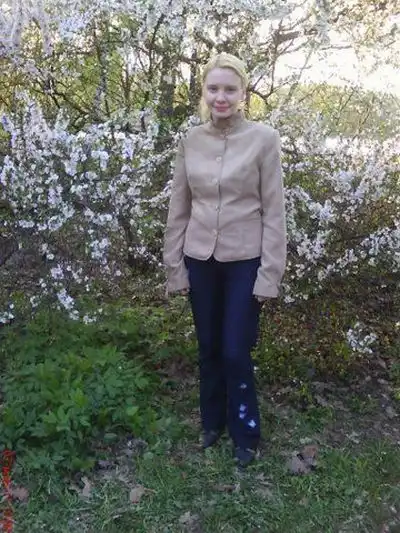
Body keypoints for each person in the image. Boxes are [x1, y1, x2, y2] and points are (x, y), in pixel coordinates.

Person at [163, 52, 286, 468]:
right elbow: (179, 208)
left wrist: (270, 275)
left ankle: (246, 431)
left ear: (243, 93)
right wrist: (174, 267)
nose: (221, 97)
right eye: (213, 88)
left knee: (235, 349)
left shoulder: (264, 140)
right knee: (209, 347)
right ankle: (211, 422)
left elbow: (274, 212)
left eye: (230, 89)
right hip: (200, 258)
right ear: (203, 92)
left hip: (245, 260)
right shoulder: (190, 140)